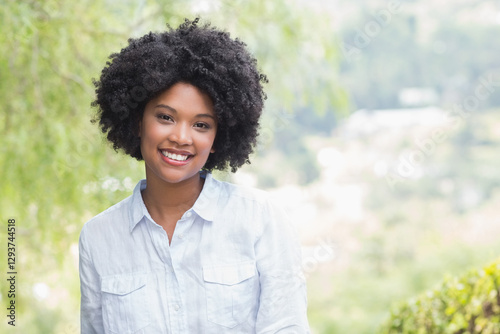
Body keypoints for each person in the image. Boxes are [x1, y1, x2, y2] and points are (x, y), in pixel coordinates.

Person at [79, 18, 310, 333]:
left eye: (201, 124)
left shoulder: (259, 220)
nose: (181, 137)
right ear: (136, 121)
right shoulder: (98, 238)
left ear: (219, 137)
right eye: (165, 117)